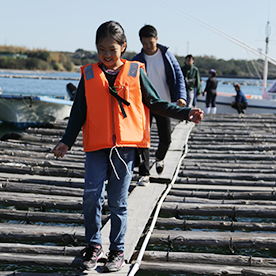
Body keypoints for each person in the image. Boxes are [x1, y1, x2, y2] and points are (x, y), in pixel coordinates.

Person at [51, 21, 203, 273]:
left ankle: (117, 250)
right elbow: (78, 112)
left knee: (118, 202)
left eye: (112, 49)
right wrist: (66, 141)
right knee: (91, 196)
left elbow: (156, 103)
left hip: (124, 149)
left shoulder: (135, 72)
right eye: (101, 50)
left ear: (123, 47)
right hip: (96, 148)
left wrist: (186, 112)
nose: (107, 55)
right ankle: (93, 246)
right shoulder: (89, 75)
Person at [132, 24, 187, 186]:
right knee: (143, 140)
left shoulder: (167, 56)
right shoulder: (136, 61)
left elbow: (179, 77)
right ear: (141, 42)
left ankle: (159, 158)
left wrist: (181, 97)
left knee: (166, 139)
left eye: (151, 42)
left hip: (163, 104)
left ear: (157, 39)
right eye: (145, 43)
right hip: (145, 106)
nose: (148, 46)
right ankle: (144, 174)